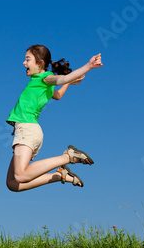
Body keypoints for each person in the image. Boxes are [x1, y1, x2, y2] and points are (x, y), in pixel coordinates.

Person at [6, 45, 103, 192]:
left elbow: (64, 77)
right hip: (28, 131)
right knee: (13, 184)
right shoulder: (41, 83)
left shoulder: (44, 78)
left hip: (27, 129)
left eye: (27, 59)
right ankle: (59, 175)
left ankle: (68, 157)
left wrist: (89, 66)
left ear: (40, 63)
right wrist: (68, 84)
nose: (24, 63)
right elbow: (57, 95)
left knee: (21, 175)